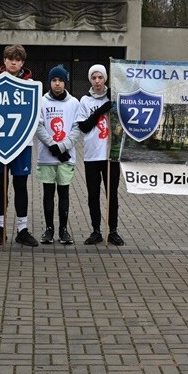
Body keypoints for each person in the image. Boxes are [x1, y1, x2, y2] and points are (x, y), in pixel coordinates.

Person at [0, 44, 39, 247]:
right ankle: (1, 228)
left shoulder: (32, 85)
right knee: (0, 185)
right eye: (10, 59)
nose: (13, 62)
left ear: (23, 63)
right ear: (4, 61)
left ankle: (22, 229)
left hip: (22, 143)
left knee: (20, 185)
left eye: (17, 59)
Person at [35, 65, 84, 245]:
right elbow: (38, 126)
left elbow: (76, 129)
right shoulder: (41, 101)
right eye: (54, 80)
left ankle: (63, 230)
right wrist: (51, 145)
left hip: (66, 157)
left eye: (60, 80)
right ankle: (49, 229)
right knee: (48, 194)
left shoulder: (74, 103)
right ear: (50, 82)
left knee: (64, 194)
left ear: (65, 82)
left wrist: (62, 147)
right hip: (46, 156)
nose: (57, 84)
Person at [77, 64, 125, 246]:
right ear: (90, 79)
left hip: (110, 154)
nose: (97, 81)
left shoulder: (114, 98)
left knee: (111, 194)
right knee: (93, 194)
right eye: (94, 78)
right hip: (92, 155)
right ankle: (96, 230)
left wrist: (110, 105)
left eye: (100, 77)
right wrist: (99, 110)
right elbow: (84, 126)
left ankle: (112, 230)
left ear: (105, 79)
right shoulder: (85, 101)